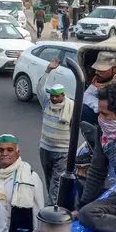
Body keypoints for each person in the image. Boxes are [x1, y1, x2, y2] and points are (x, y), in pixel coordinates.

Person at [78, 82, 116, 232]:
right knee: (86, 214)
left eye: (105, 114)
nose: (100, 118)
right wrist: (83, 204)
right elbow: (97, 170)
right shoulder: (105, 131)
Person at [36, 72, 73, 203]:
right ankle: (52, 202)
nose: (54, 99)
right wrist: (47, 71)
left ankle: (53, 206)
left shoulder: (71, 108)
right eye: (52, 96)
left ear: (63, 95)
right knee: (48, 178)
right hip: (45, 149)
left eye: (57, 96)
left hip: (62, 152)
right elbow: (39, 88)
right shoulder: (46, 103)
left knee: (56, 182)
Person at [82, 51, 116, 125]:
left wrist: (100, 108)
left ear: (115, 68)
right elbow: (85, 96)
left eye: (101, 70)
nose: (96, 72)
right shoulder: (102, 78)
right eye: (97, 69)